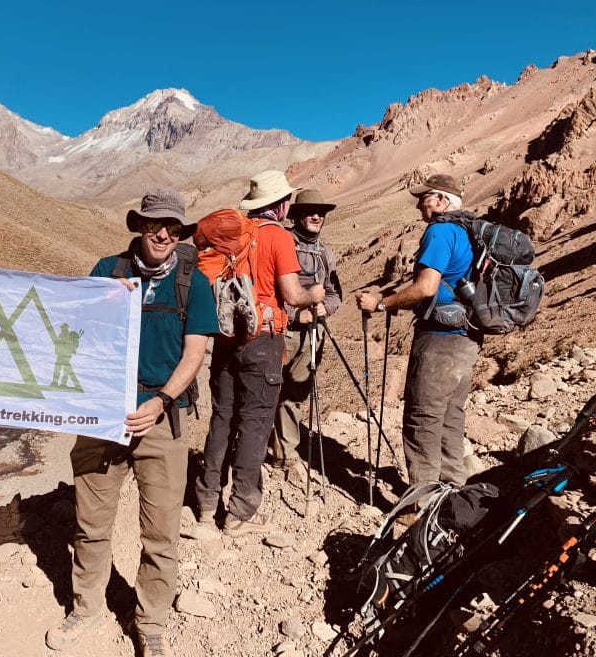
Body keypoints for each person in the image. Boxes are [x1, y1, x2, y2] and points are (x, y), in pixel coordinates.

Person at [45, 189, 219, 657]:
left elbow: (195, 353)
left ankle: (151, 622)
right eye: (154, 224)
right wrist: (106, 304)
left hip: (162, 419)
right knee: (91, 522)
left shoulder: (193, 282)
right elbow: (75, 333)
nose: (163, 234)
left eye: (173, 228)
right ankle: (86, 607)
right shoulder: (109, 271)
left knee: (161, 532)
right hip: (105, 415)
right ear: (139, 226)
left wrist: (162, 400)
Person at [194, 170, 324, 536]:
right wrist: (314, 295)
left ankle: (206, 504)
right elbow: (293, 295)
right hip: (263, 341)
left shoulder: (233, 236)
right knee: (255, 423)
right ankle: (240, 512)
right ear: (280, 205)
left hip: (226, 340)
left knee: (222, 419)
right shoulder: (277, 236)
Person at [355, 174, 481, 490]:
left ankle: (422, 502)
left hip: (439, 340)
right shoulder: (468, 230)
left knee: (422, 420)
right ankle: (452, 495)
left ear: (441, 200)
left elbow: (426, 288)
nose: (418, 206)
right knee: (450, 417)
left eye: (423, 198)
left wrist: (381, 304)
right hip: (466, 337)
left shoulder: (440, 231)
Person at [269, 188, 343, 484]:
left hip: (312, 336)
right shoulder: (282, 243)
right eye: (310, 211)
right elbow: (268, 290)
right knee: (265, 391)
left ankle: (284, 454)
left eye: (320, 212)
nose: (316, 216)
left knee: (294, 395)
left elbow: (335, 293)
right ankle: (248, 452)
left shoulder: (326, 253)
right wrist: (295, 315)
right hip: (280, 331)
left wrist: (326, 308)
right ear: (297, 215)